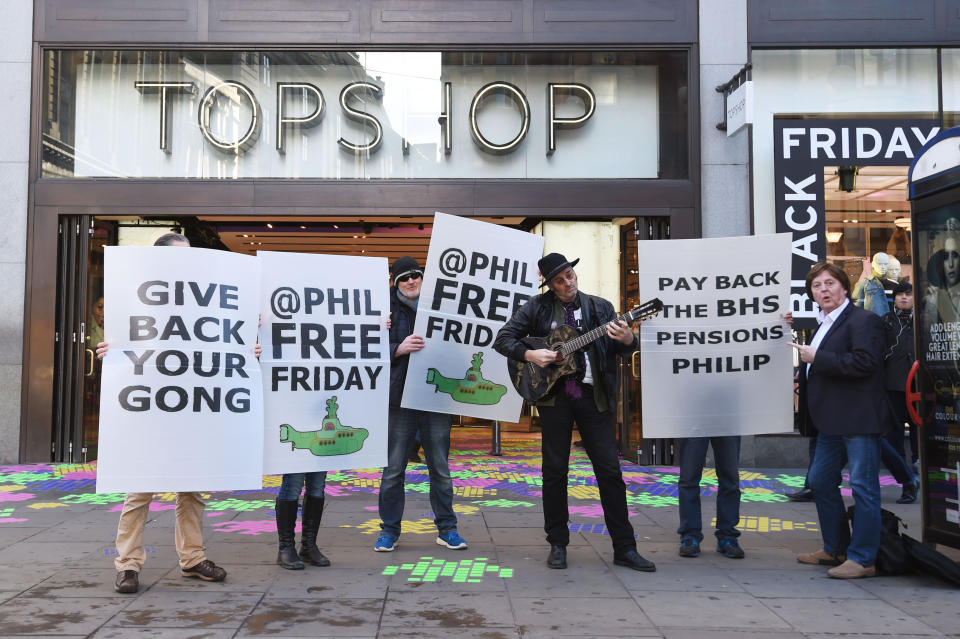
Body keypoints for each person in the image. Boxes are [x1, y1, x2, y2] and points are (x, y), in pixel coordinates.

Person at [494, 252, 655, 572]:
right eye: (560, 280)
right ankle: (557, 543)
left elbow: (621, 348)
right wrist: (532, 354)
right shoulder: (536, 308)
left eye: (570, 275)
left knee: (610, 472)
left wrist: (628, 339)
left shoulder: (600, 308)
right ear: (550, 286)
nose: (568, 283)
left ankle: (625, 547)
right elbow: (503, 340)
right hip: (555, 399)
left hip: (593, 398)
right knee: (554, 472)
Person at [99, 232, 229, 593]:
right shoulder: (139, 292)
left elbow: (220, 337)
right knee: (139, 490)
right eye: (179, 256)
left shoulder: (206, 295)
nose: (187, 261)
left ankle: (192, 559)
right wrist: (114, 350)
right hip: (150, 409)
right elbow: (130, 337)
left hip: (190, 407)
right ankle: (127, 565)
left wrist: (243, 348)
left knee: (192, 490)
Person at [789, 261, 891, 579]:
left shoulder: (863, 320)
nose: (824, 290)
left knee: (863, 487)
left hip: (858, 419)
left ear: (844, 288)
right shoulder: (824, 322)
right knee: (820, 482)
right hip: (831, 420)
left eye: (829, 283)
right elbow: (826, 362)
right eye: (817, 286)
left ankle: (863, 559)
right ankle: (835, 548)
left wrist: (817, 358)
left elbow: (864, 362)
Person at [375, 256, 467, 552]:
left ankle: (447, 529)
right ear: (395, 282)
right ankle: (389, 531)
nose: (411, 281)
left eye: (415, 275)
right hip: (398, 398)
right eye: (403, 278)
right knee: (393, 470)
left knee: (440, 467)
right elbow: (361, 344)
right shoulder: (379, 308)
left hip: (435, 398)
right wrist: (396, 349)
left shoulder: (442, 305)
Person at [676, 436, 744, 559]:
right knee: (689, 478)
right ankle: (690, 535)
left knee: (730, 478)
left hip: (726, 420)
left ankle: (727, 535)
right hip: (696, 420)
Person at [883, 282, 920, 485]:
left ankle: (918, 464)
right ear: (894, 297)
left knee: (918, 428)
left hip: (919, 384)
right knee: (894, 431)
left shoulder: (923, 319)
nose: (904, 298)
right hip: (893, 384)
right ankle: (903, 475)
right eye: (900, 294)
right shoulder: (887, 320)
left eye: (908, 294)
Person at [852, 252, 891, 317]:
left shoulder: (894, 285)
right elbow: (856, 310)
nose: (883, 267)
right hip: (872, 324)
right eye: (879, 264)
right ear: (873, 264)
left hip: (892, 325)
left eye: (885, 264)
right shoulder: (863, 285)